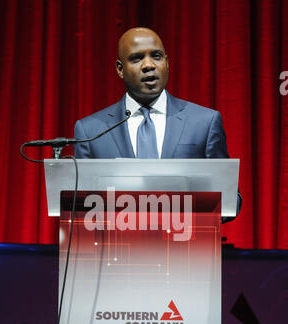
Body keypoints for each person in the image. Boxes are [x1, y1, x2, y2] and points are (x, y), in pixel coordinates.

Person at [73, 27, 241, 219]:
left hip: (185, 244)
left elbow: (230, 200)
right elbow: (80, 204)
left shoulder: (204, 122)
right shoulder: (91, 130)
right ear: (120, 69)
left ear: (167, 63)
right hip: (117, 246)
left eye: (156, 56)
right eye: (136, 58)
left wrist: (184, 213)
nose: (148, 65)